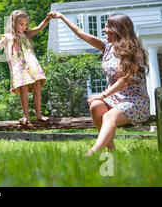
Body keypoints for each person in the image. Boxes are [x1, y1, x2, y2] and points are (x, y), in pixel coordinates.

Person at [49, 12, 150, 156]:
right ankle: (111, 150)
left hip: (135, 101)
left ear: (118, 29)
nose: (104, 30)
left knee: (109, 116)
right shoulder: (107, 47)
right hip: (113, 99)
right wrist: (62, 17)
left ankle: (93, 153)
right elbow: (80, 33)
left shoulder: (135, 52)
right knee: (96, 106)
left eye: (107, 27)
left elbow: (124, 80)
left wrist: (102, 95)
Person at [0, 10, 52, 125]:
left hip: (31, 64)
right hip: (19, 66)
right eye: (21, 24)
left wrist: (47, 19)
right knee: (23, 88)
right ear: (14, 23)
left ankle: (38, 114)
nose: (24, 27)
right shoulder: (8, 37)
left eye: (25, 24)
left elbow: (39, 28)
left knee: (37, 86)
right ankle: (26, 115)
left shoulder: (26, 34)